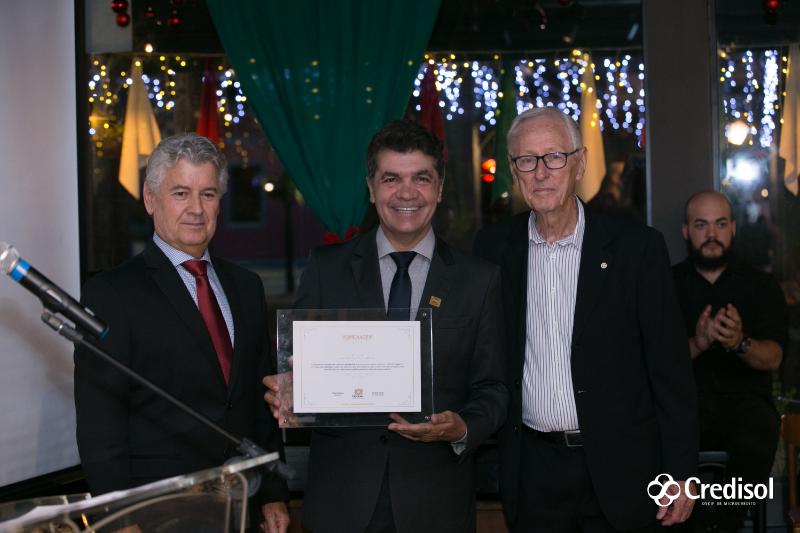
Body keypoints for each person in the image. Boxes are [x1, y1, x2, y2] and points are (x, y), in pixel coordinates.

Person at [264, 119, 508, 533]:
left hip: (436, 504)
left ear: (439, 188)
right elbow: (299, 374)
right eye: (391, 178)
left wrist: (463, 426)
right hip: (341, 501)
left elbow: (494, 388)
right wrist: (290, 390)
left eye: (421, 179)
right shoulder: (326, 270)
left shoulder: (479, 280)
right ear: (371, 187)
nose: (406, 193)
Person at [473, 107, 698, 532]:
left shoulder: (637, 249)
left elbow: (670, 370)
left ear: (580, 163)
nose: (541, 172)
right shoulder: (492, 249)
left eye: (555, 156)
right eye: (527, 160)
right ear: (513, 171)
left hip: (622, 469)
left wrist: (682, 471)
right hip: (532, 472)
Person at [74, 133, 290, 532]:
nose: (196, 209)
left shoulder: (246, 287)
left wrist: (274, 490)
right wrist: (119, 517)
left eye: (208, 194)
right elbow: (99, 423)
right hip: (158, 512)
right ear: (150, 198)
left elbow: (259, 399)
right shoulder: (112, 294)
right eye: (180, 193)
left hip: (241, 504)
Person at [673, 190, 787, 532]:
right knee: (654, 429)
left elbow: (774, 358)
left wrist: (739, 343)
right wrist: (698, 343)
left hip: (746, 407)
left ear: (733, 229)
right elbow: (653, 364)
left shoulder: (761, 285)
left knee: (758, 430)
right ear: (686, 231)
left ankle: (724, 524)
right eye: (701, 225)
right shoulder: (665, 284)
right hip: (686, 406)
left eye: (720, 224)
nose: (712, 234)